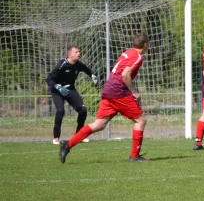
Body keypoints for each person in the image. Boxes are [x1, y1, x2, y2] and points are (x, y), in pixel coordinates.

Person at [59, 33, 149, 163]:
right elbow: (125, 74)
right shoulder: (138, 57)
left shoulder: (127, 52)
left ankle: (67, 145)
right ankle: (134, 156)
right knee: (141, 121)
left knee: (99, 124)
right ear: (145, 44)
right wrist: (133, 92)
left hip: (108, 90)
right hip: (119, 92)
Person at [46, 46, 97, 145]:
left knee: (83, 110)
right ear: (70, 54)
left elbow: (87, 70)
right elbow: (49, 79)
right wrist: (58, 86)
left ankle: (79, 135)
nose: (79, 53)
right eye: (76, 52)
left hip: (70, 89)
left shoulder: (79, 64)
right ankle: (56, 137)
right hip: (57, 90)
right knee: (60, 111)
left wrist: (92, 75)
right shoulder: (62, 64)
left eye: (79, 51)